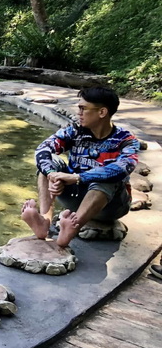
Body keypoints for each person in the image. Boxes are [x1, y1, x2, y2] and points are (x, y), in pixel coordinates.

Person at [21, 87, 140, 248]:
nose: (78, 113)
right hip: (75, 197)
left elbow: (123, 167)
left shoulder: (126, 140)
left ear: (102, 112)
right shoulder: (75, 131)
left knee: (108, 177)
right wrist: (52, 175)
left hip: (109, 206)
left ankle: (72, 228)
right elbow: (43, 149)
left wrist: (77, 178)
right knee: (49, 164)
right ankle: (44, 221)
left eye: (83, 108)